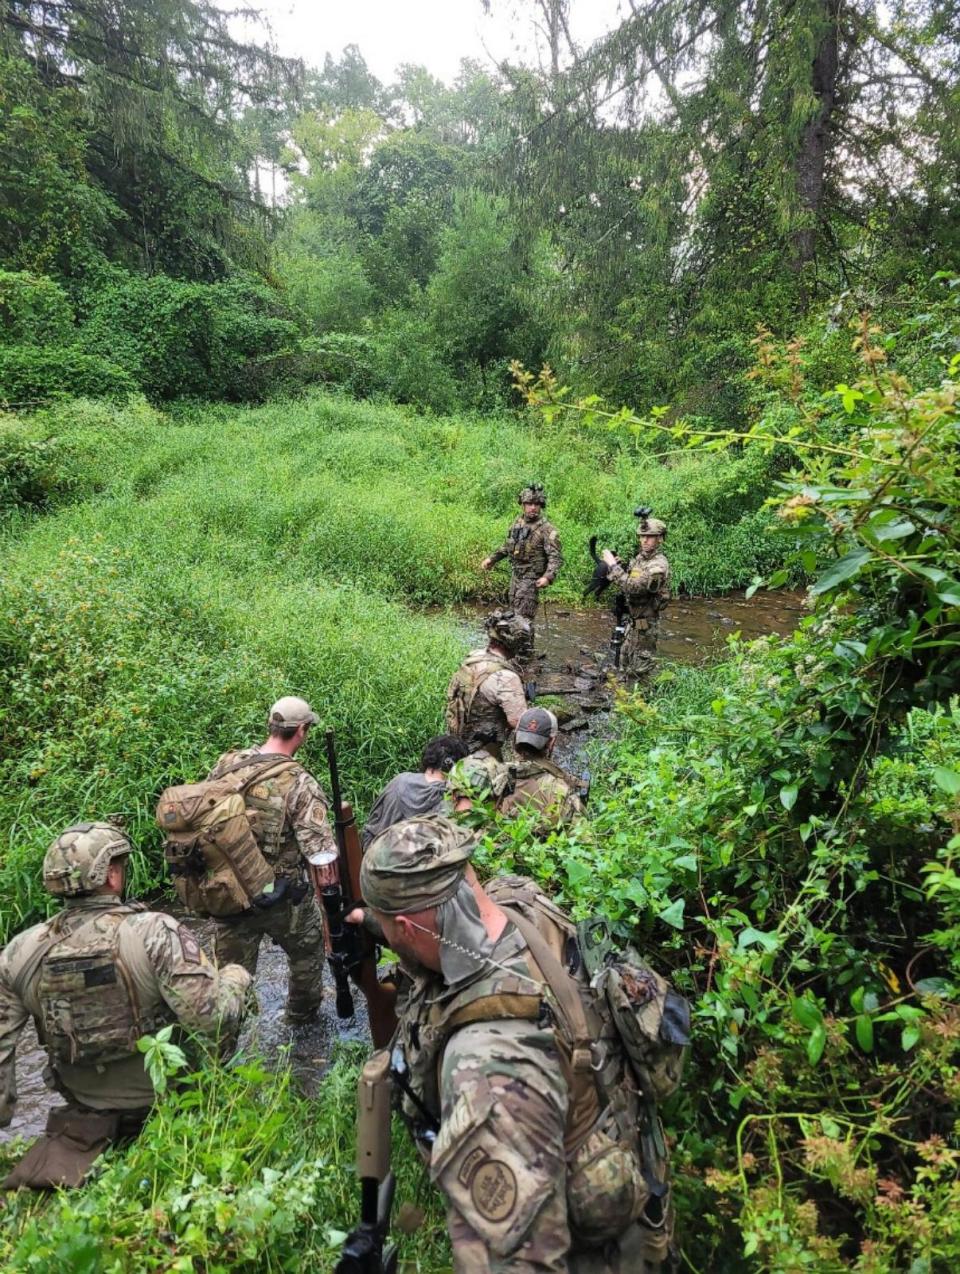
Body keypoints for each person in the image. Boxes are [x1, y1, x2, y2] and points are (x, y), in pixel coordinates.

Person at [359, 816, 679, 1273]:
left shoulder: (488, 1066)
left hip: (603, 1257)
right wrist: (372, 918)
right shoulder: (526, 904)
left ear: (408, 929)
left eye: (392, 930)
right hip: (641, 1183)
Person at [0, 822, 251, 1190]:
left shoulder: (18, 953)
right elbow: (213, 1022)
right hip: (169, 1104)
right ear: (113, 875)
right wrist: (236, 978)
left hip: (85, 1113)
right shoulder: (155, 931)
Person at [207, 695, 334, 1025]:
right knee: (308, 951)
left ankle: (226, 1045)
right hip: (282, 897)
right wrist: (330, 911)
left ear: (271, 726)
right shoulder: (300, 784)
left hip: (228, 892)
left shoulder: (227, 765)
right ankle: (299, 1019)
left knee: (229, 980)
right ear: (302, 731)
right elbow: (321, 855)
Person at [481, 483, 562, 661]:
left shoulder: (547, 530)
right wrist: (492, 559)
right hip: (516, 577)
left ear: (541, 506)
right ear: (523, 505)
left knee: (523, 619)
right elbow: (507, 546)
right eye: (529, 504)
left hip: (531, 579)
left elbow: (556, 558)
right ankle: (515, 652)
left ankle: (525, 657)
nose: (533, 508)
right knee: (513, 615)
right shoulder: (517, 524)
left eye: (536, 504)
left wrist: (547, 577)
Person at [445, 610, 530, 759]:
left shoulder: (473, 656)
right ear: (514, 642)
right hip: (482, 752)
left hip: (457, 740)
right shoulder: (507, 677)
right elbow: (518, 721)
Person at [361, 735, 470, 849]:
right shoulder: (452, 799)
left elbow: (370, 829)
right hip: (414, 865)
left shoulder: (399, 781)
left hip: (374, 860)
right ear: (459, 768)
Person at [601, 514, 671, 678]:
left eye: (650, 537)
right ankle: (625, 701)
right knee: (624, 666)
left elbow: (634, 587)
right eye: (642, 536)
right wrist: (619, 566)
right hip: (632, 625)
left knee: (639, 673)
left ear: (659, 539)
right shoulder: (639, 560)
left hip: (645, 628)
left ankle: (641, 701)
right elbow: (630, 580)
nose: (645, 540)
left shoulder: (658, 565)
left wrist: (612, 566)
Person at [500, 707, 585, 832]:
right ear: (551, 742)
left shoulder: (494, 777)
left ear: (516, 737)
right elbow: (585, 843)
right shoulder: (561, 791)